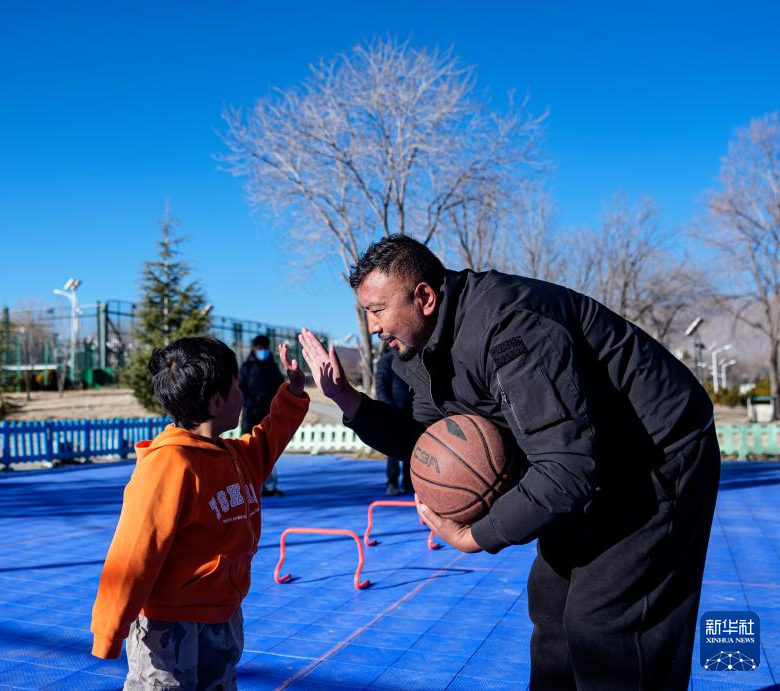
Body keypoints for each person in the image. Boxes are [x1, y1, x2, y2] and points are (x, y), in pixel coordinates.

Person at [298, 235, 719, 690]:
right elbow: (431, 446)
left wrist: (475, 536)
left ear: (424, 297)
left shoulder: (509, 328)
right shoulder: (422, 351)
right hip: (584, 459)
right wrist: (348, 400)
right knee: (552, 609)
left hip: (654, 454)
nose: (373, 326)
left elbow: (567, 466)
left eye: (378, 310)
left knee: (605, 620)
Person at [90, 336, 308, 690]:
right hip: (169, 627)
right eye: (236, 386)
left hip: (222, 616)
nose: (242, 394)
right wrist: (109, 632)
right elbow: (132, 554)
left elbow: (270, 439)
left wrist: (293, 394)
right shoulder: (170, 465)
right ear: (217, 400)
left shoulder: (235, 456)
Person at [239, 334, 286, 496]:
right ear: (254, 349)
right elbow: (239, 389)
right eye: (260, 348)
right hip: (250, 415)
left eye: (265, 348)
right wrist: (251, 401)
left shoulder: (273, 367)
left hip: (268, 415)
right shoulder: (246, 367)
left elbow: (280, 388)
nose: (263, 351)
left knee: (269, 451)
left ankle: (270, 487)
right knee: (247, 450)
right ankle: (246, 488)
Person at [374, 341, 413, 495]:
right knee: (393, 452)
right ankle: (392, 482)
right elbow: (381, 388)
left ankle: (410, 483)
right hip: (393, 413)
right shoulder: (386, 361)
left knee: (414, 450)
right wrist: (389, 409)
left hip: (412, 413)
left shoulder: (413, 358)